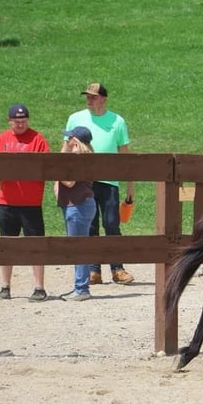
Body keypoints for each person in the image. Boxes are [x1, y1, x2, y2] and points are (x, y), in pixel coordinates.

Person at [65, 82, 134, 285]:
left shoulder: (117, 121)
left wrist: (130, 187)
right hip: (84, 181)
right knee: (90, 224)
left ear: (103, 99)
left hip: (109, 181)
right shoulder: (75, 118)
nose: (89, 99)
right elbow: (66, 149)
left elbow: (126, 157)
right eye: (87, 96)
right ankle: (94, 270)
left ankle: (117, 268)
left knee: (112, 223)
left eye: (93, 96)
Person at [0, 104, 49, 301]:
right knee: (7, 244)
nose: (20, 124)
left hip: (31, 202)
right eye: (17, 121)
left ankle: (39, 287)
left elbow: (46, 167)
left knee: (36, 244)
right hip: (7, 200)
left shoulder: (38, 139)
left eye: (23, 121)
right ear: (10, 121)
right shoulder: (2, 139)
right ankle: (5, 286)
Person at [55, 126, 97, 301]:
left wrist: (54, 171)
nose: (66, 141)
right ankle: (80, 286)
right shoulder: (82, 157)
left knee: (78, 248)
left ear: (75, 140)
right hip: (78, 205)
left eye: (69, 138)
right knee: (78, 246)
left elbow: (70, 182)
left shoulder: (79, 159)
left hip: (78, 206)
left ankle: (82, 288)